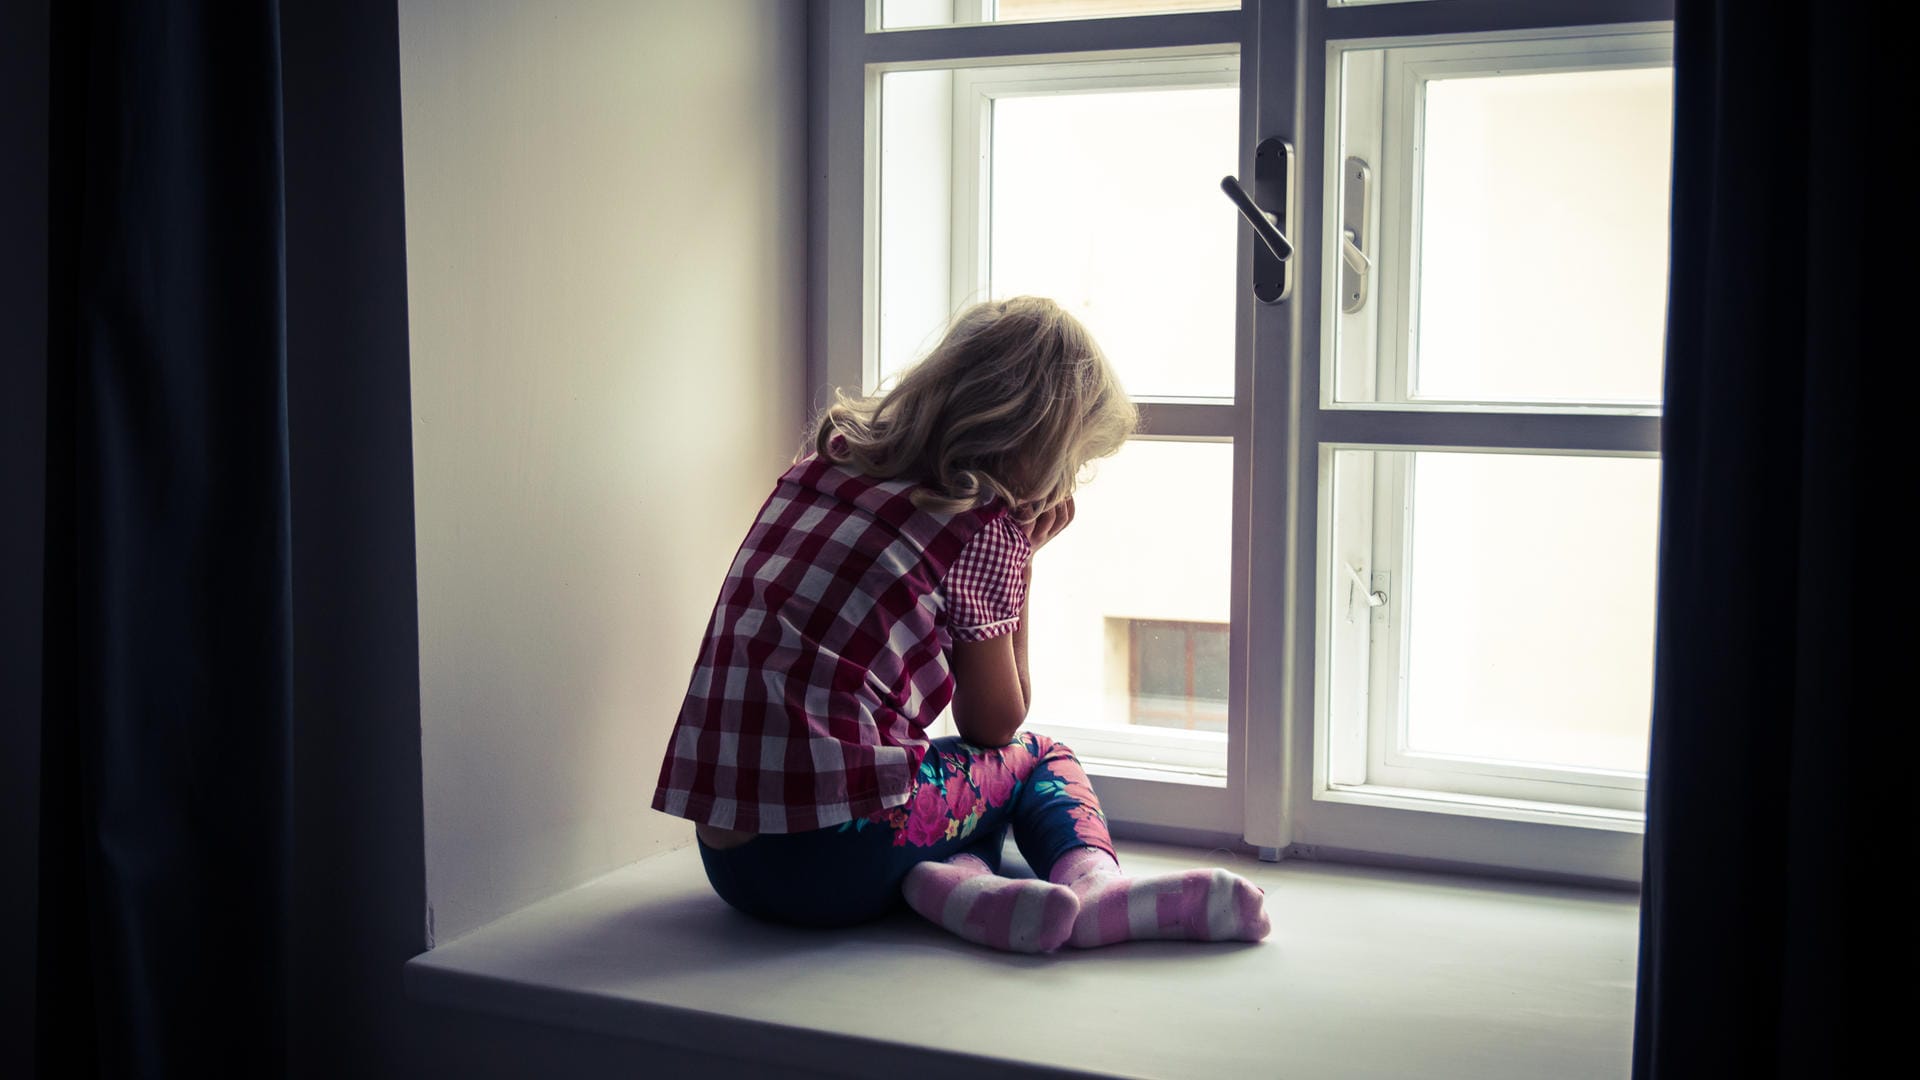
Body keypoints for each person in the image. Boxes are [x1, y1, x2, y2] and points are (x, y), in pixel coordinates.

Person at [652, 297, 1271, 953]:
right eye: (1075, 461)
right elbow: (996, 723)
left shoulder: (823, 469)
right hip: (830, 864)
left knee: (943, 781)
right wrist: (1022, 561)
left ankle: (966, 893)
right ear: (1041, 446)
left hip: (732, 860)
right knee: (1037, 760)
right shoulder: (979, 523)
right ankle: (1092, 889)